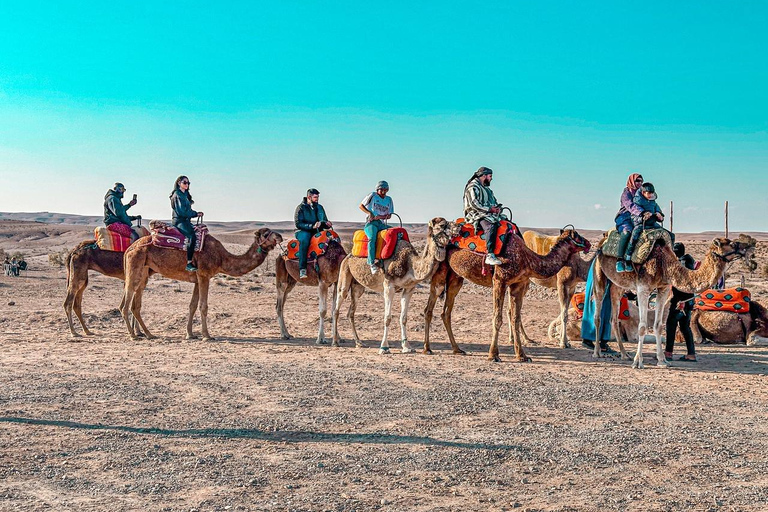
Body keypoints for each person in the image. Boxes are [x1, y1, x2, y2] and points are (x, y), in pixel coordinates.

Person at [463, 166, 506, 266]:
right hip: (476, 214)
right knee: (491, 225)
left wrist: (497, 208)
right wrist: (490, 209)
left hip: (488, 213)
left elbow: (493, 202)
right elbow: (474, 204)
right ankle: (490, 255)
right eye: (490, 176)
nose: (491, 179)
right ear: (484, 176)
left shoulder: (487, 190)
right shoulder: (473, 187)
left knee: (507, 223)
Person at [623, 182, 667, 270]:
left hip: (652, 224)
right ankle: (628, 257)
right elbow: (634, 215)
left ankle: (672, 256)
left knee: (669, 235)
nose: (651, 195)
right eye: (649, 193)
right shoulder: (637, 202)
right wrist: (643, 216)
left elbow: (659, 213)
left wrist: (659, 215)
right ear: (643, 193)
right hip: (641, 224)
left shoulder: (653, 202)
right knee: (634, 236)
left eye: (652, 193)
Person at [665, 242, 697, 362]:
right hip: (688, 301)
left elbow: (682, 284)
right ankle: (691, 354)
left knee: (671, 326)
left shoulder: (682, 264)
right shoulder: (689, 263)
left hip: (680, 302)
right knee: (685, 327)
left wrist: (680, 301)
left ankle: (668, 353)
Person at [294, 188, 332, 279]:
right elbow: (298, 224)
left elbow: (324, 221)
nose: (317, 199)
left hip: (317, 231)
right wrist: (311, 226)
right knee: (305, 239)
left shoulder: (320, 207)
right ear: (309, 197)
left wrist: (327, 224)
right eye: (315, 197)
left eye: (318, 197)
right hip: (303, 231)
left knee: (331, 239)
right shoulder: (301, 208)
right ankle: (302, 268)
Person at [359, 181, 394, 275]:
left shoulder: (389, 200)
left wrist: (380, 217)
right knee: (372, 238)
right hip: (371, 223)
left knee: (395, 233)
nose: (383, 192)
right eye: (381, 189)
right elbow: (361, 206)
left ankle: (388, 258)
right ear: (377, 189)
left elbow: (389, 215)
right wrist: (369, 213)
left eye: (385, 190)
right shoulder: (372, 195)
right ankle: (371, 263)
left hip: (382, 223)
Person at [170, 175, 204, 272]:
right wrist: (195, 214)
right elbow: (182, 212)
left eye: (188, 183)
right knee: (192, 236)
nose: (187, 184)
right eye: (184, 182)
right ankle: (189, 263)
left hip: (185, 221)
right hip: (179, 221)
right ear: (179, 183)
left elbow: (187, 210)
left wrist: (195, 213)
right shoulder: (177, 195)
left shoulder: (184, 195)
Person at [614, 173, 644, 273]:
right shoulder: (626, 193)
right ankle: (620, 260)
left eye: (641, 181)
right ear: (632, 181)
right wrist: (642, 212)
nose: (640, 183)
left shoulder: (642, 193)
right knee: (627, 232)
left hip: (638, 218)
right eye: (637, 181)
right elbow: (630, 205)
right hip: (625, 217)